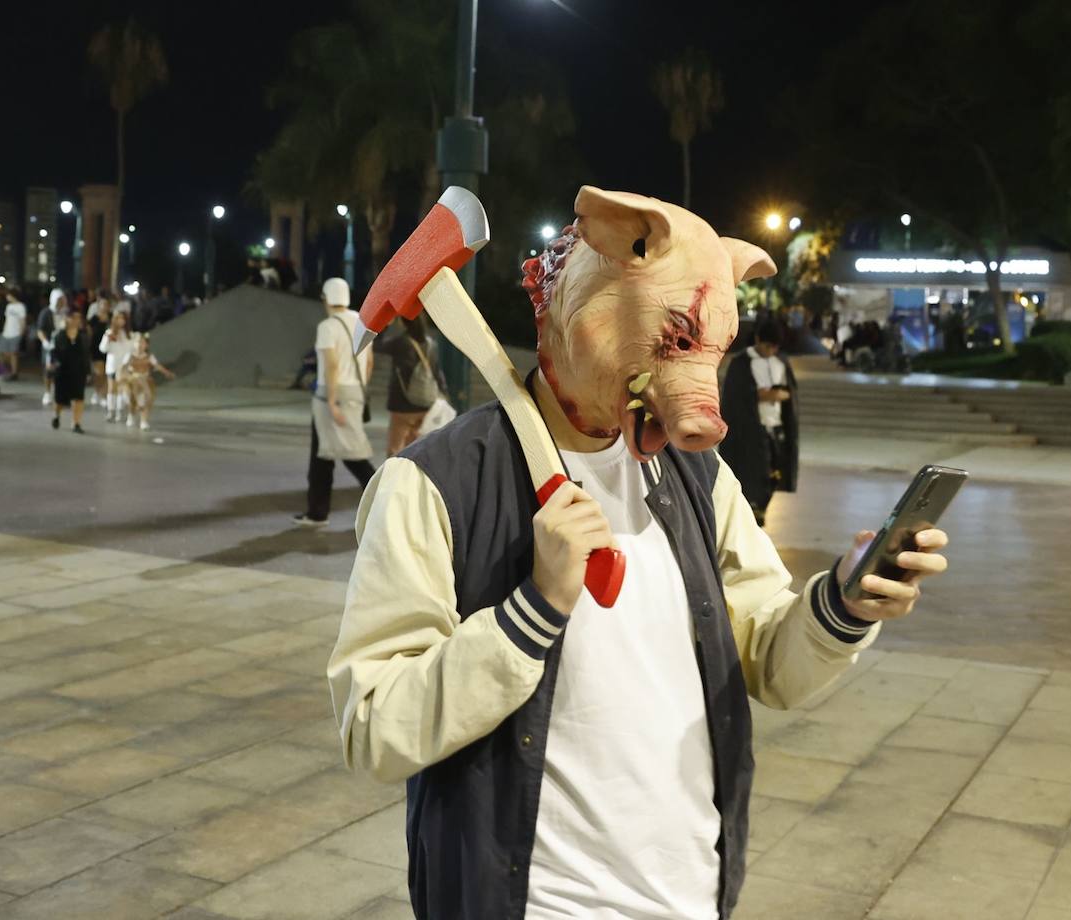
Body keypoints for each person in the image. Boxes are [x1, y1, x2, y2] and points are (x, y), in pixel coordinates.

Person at [329, 187, 952, 920]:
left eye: (708, 352)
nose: (700, 390)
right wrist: (530, 612)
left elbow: (769, 657)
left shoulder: (696, 474)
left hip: (690, 895)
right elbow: (374, 724)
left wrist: (843, 602)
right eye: (673, 342)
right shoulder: (433, 484)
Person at [293, 277, 374, 528]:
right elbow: (369, 362)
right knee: (323, 456)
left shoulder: (328, 327)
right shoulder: (361, 320)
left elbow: (330, 364)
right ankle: (317, 512)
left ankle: (385, 499)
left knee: (354, 457)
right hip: (355, 392)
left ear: (327, 299)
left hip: (331, 394)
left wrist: (331, 401)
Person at [718, 320, 798, 528]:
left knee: (775, 472)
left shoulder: (780, 363)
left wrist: (771, 395)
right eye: (767, 346)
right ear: (757, 340)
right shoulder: (741, 363)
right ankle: (750, 514)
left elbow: (789, 393)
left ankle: (760, 510)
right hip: (750, 430)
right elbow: (737, 396)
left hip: (776, 428)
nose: (771, 351)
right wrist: (764, 395)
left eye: (775, 347)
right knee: (753, 473)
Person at [385, 313, 445, 455]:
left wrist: (386, 324)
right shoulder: (431, 344)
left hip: (402, 406)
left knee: (395, 450)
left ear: (402, 322)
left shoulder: (402, 342)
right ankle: (412, 476)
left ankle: (394, 476)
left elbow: (377, 345)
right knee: (413, 450)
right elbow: (437, 373)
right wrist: (443, 394)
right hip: (425, 404)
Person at [115, 333, 175, 429]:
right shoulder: (130, 356)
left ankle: (144, 420)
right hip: (132, 381)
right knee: (131, 399)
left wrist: (167, 373)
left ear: (146, 345)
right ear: (134, 344)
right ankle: (131, 415)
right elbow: (123, 367)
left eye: (142, 343)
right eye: (138, 342)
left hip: (145, 380)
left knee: (145, 399)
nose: (140, 345)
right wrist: (122, 377)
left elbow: (157, 366)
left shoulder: (149, 356)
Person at [50, 309, 91, 433]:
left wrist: (88, 371)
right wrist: (54, 363)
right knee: (60, 400)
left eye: (78, 318)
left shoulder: (83, 337)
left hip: (79, 371)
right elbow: (53, 353)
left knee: (78, 398)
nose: (76, 321)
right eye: (73, 318)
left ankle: (76, 423)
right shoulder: (59, 336)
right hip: (62, 372)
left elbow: (86, 355)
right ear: (67, 319)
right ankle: (56, 415)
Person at [99, 311, 134, 423]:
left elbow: (131, 349)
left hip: (124, 366)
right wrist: (108, 340)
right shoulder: (109, 332)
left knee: (121, 389)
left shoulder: (128, 334)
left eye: (122, 318)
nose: (121, 321)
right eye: (118, 318)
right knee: (111, 388)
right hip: (112, 365)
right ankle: (111, 411)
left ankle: (119, 411)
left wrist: (126, 363)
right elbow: (103, 349)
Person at [36, 291, 68, 406]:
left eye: (62, 299)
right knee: (49, 370)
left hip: (62, 345)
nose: (61, 302)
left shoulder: (66, 313)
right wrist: (45, 342)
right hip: (50, 345)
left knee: (62, 370)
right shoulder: (46, 313)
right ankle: (47, 392)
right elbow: (40, 330)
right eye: (59, 300)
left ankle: (59, 392)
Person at [86, 291, 111, 406]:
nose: (104, 307)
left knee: (107, 372)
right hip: (96, 347)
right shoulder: (94, 319)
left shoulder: (111, 318)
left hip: (109, 348)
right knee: (98, 372)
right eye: (102, 304)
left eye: (107, 304)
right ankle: (97, 392)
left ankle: (104, 394)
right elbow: (89, 333)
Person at [0, 287, 27, 381]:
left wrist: (21, 333)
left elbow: (23, 320)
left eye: (8, 295)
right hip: (6, 332)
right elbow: (7, 319)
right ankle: (3, 371)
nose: (7, 297)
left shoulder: (21, 306)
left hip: (16, 333)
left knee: (13, 354)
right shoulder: (8, 306)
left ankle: (14, 373)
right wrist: (4, 330)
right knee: (2, 352)